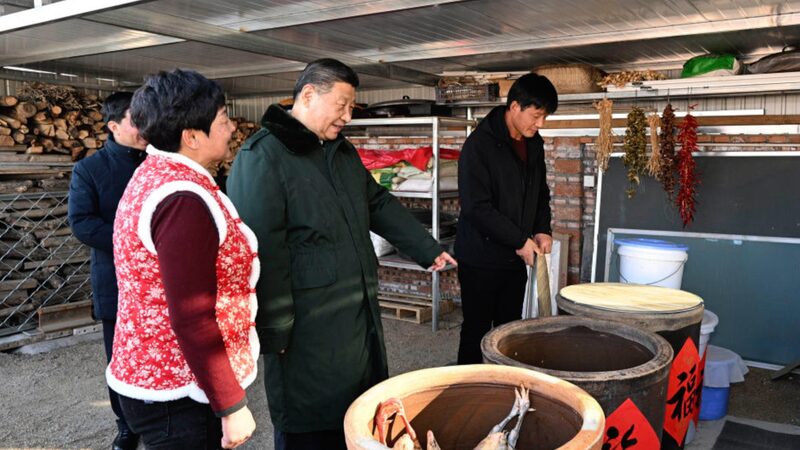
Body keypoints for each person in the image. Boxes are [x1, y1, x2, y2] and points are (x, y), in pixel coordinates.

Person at [227, 58, 456, 450]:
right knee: (310, 425)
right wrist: (273, 329)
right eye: (342, 105)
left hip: (355, 310)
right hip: (305, 326)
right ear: (309, 95)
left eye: (352, 107)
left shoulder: (340, 150)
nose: (348, 116)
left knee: (356, 415)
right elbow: (260, 250)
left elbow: (377, 202)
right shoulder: (262, 155)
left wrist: (426, 249)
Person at [106, 69, 258, 449]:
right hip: (178, 393)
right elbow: (193, 313)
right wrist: (230, 404)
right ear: (191, 137)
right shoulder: (181, 199)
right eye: (222, 120)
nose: (232, 128)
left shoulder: (157, 175)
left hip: (160, 378)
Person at [454, 73, 558, 364]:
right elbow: (476, 207)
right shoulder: (479, 146)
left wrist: (542, 229)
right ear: (514, 106)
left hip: (514, 257)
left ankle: (503, 383)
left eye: (544, 117)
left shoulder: (533, 144)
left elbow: (540, 193)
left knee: (509, 329)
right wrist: (520, 240)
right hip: (480, 257)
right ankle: (469, 384)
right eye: (536, 116)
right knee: (476, 330)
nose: (540, 124)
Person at [68, 91, 147, 450]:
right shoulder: (89, 169)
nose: (145, 126)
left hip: (162, 280)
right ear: (113, 126)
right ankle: (127, 425)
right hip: (115, 281)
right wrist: (136, 242)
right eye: (136, 119)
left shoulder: (160, 162)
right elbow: (82, 223)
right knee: (120, 357)